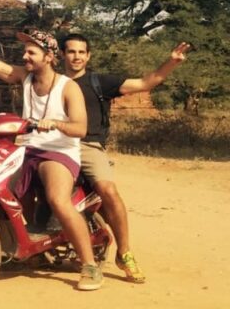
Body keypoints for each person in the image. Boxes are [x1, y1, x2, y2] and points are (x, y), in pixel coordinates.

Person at [0, 22, 103, 291]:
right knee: (3, 192)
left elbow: (80, 128)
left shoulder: (67, 87)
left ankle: (89, 265)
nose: (25, 57)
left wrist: (56, 123)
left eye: (31, 53)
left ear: (49, 57)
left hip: (58, 151)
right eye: (25, 52)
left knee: (58, 200)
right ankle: (22, 244)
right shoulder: (24, 79)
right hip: (26, 148)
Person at [61, 33, 189, 283]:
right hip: (54, 145)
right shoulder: (52, 82)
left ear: (88, 56)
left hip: (87, 145)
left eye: (81, 52)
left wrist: (172, 62)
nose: (76, 56)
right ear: (62, 55)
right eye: (71, 51)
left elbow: (144, 83)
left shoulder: (99, 82)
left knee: (108, 190)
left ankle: (125, 252)